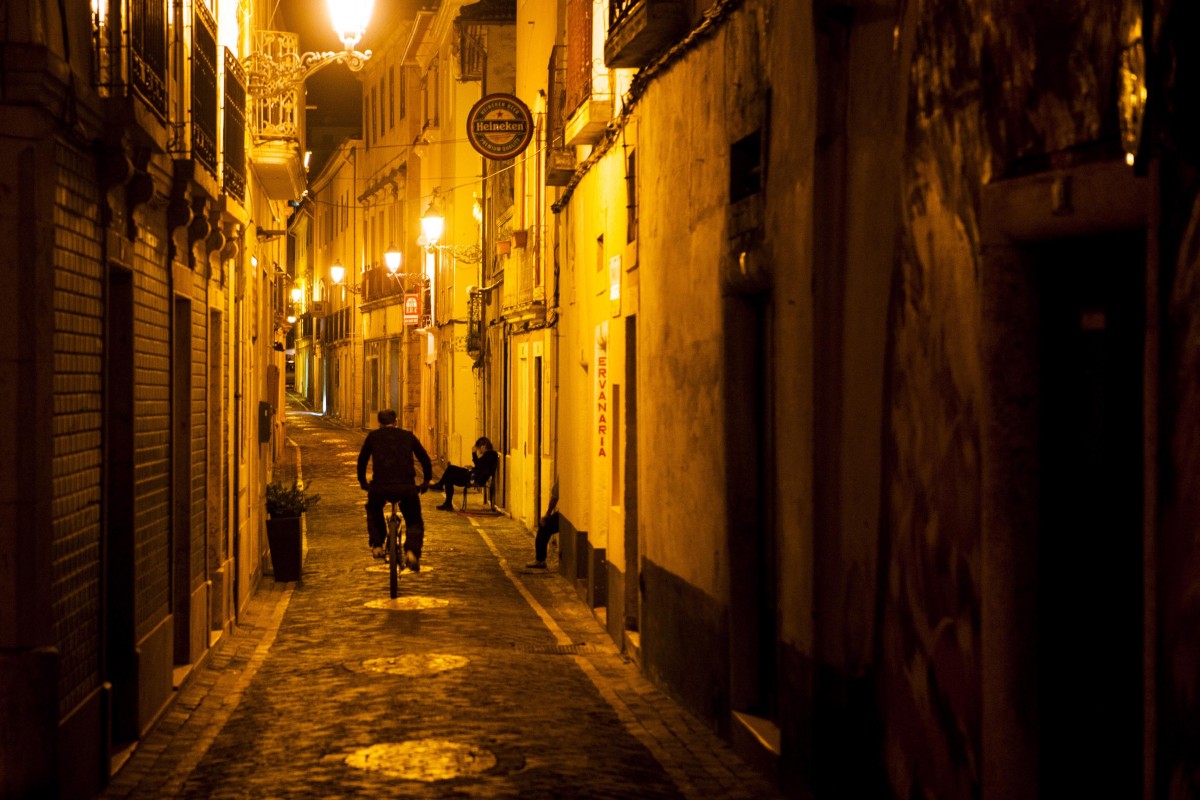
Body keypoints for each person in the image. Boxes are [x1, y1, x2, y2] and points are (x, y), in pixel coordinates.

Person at [357, 409, 432, 569]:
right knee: (414, 520)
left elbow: (362, 461)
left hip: (380, 486)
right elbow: (425, 459)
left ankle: (377, 544)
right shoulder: (407, 436)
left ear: (379, 423)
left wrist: (363, 482)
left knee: (373, 509)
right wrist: (426, 481)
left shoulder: (373, 437)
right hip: (406, 487)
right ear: (396, 421)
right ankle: (412, 551)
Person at [431, 437, 499, 510]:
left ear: (483, 446)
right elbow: (481, 467)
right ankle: (448, 503)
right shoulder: (490, 455)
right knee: (449, 479)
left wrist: (473, 453)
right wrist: (472, 468)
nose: (479, 450)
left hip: (474, 478)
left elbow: (480, 466)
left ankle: (440, 485)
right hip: (474, 475)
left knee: (450, 468)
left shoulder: (490, 454)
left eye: (479, 448)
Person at [526, 476, 559, 569]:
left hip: (566, 513)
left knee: (544, 527)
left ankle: (540, 560)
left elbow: (555, 497)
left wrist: (548, 514)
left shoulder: (563, 474)